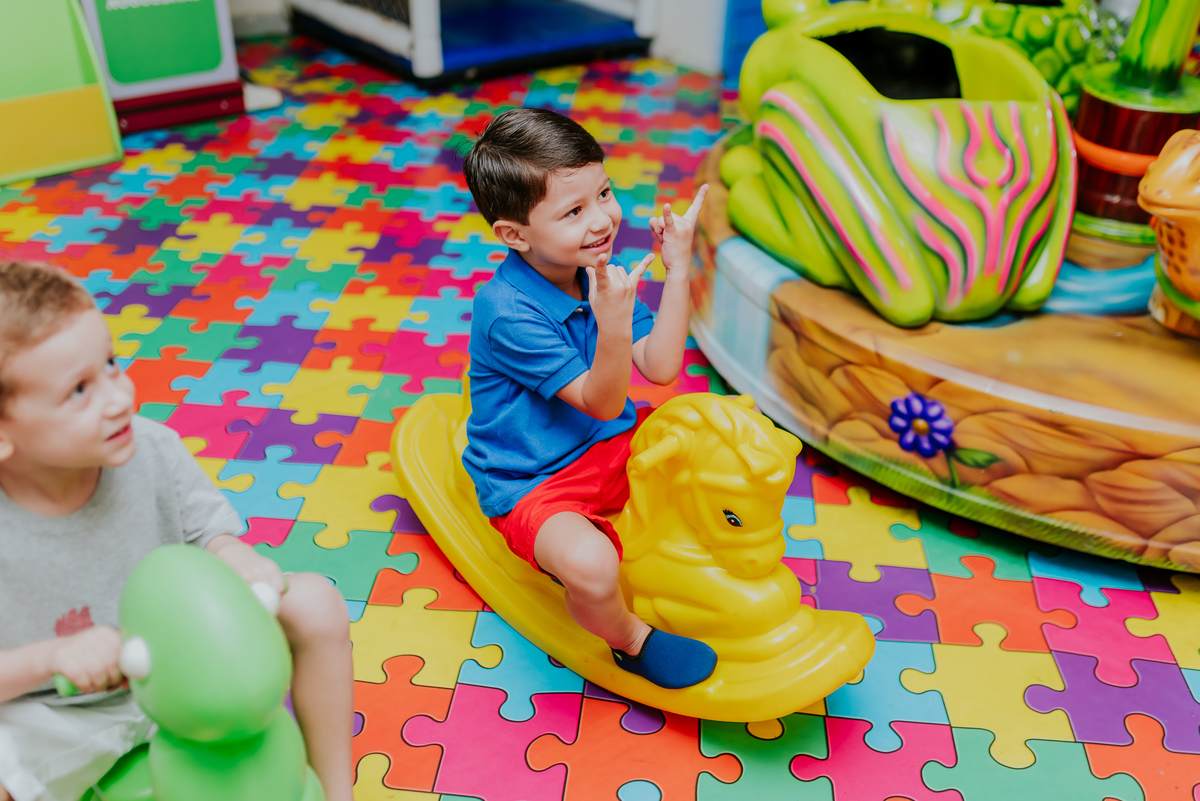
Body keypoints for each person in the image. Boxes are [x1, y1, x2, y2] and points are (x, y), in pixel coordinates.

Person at [0, 261, 353, 801]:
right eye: (78, 391)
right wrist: (51, 659)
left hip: (184, 675)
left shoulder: (151, 447)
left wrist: (234, 555)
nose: (118, 398)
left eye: (112, 365)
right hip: (50, 714)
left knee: (315, 602)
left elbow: (209, 534)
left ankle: (337, 791)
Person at [461, 108, 716, 690]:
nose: (602, 220)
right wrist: (615, 324)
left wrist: (677, 270)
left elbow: (661, 367)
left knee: (712, 439)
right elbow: (600, 402)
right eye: (574, 212)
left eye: (604, 193)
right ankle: (629, 641)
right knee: (592, 566)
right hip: (533, 478)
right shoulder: (505, 312)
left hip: (612, 445)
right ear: (515, 235)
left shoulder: (593, 271)